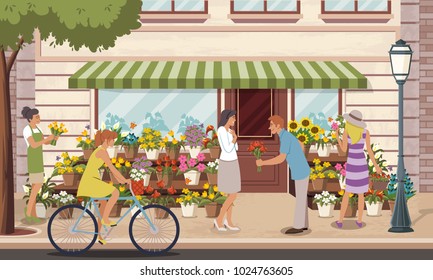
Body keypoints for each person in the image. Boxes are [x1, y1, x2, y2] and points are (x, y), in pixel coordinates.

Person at [256, 115, 310, 234]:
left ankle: (298, 226)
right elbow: (300, 144)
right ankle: (304, 224)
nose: (270, 128)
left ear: (278, 125)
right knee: (302, 198)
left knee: (300, 199)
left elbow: (280, 159)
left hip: (300, 170)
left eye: (271, 125)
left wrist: (263, 163)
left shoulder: (285, 138)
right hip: (301, 169)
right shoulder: (287, 136)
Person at [77, 129, 131, 244]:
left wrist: (122, 180)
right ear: (107, 140)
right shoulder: (102, 152)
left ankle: (99, 236)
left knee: (104, 205)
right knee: (115, 192)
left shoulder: (101, 150)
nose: (114, 142)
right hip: (90, 181)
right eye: (113, 140)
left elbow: (113, 171)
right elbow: (112, 169)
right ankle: (106, 219)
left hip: (92, 179)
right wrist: (124, 179)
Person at [336, 110, 382, 228]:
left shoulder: (347, 132)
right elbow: (370, 151)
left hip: (352, 164)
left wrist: (337, 137)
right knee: (361, 194)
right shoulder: (365, 133)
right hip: (361, 164)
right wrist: (376, 166)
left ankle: (340, 221)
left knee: (347, 192)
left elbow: (343, 148)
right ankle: (360, 221)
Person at [22, 106, 59, 223]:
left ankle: (33, 214)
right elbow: (33, 144)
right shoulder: (27, 130)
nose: (39, 118)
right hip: (33, 160)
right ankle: (28, 212)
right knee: (37, 186)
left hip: (39, 159)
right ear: (30, 119)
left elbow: (45, 143)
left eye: (39, 116)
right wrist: (47, 139)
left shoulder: (38, 129)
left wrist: (54, 138)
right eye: (36, 117)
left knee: (35, 187)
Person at [214, 109, 241, 232]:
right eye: (233, 117)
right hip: (227, 163)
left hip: (234, 162)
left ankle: (228, 221)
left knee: (232, 194)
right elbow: (227, 148)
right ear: (227, 118)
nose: (235, 120)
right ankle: (219, 219)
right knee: (232, 195)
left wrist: (233, 137)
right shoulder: (221, 131)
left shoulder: (229, 131)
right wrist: (234, 138)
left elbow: (236, 147)